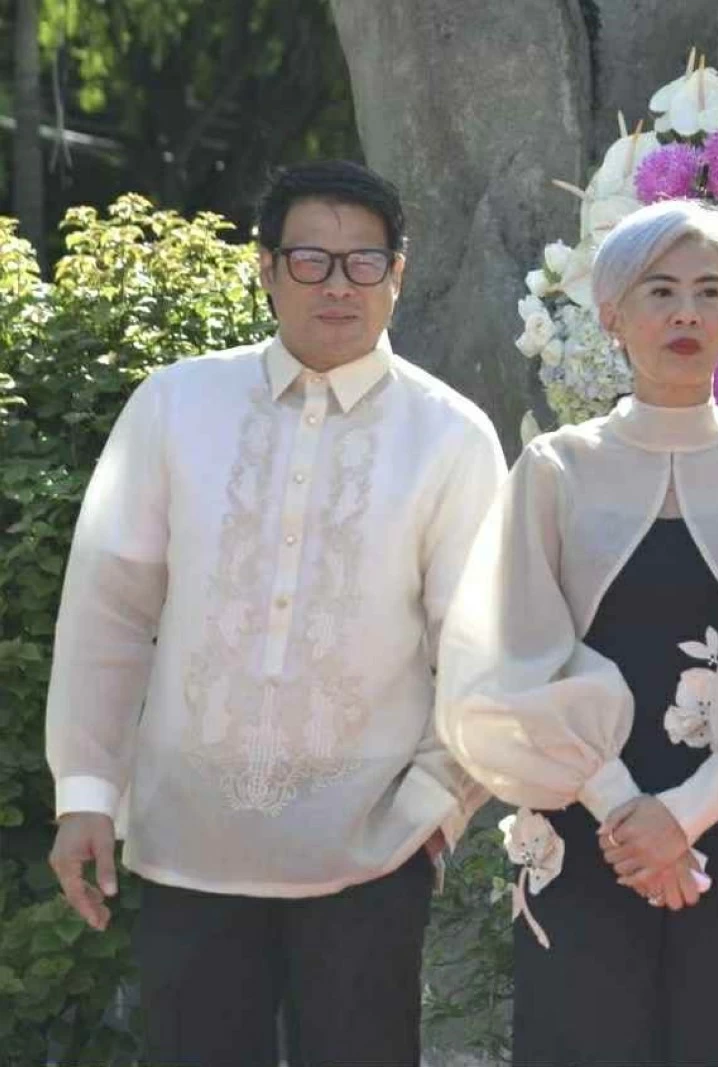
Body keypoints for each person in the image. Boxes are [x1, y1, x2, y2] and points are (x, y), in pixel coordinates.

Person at [45, 159, 505, 1066]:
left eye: (364, 262)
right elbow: (108, 609)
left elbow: (481, 648)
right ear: (264, 268)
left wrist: (433, 813)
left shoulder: (451, 436)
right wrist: (86, 793)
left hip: (372, 849)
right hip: (188, 842)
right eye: (310, 260)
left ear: (398, 273)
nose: (338, 284)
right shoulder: (175, 404)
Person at [435, 199, 718, 1066]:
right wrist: (627, 815)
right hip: (584, 834)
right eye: (660, 290)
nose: (686, 312)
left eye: (709, 291)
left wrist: (687, 813)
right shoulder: (555, 469)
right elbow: (511, 659)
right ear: (613, 314)